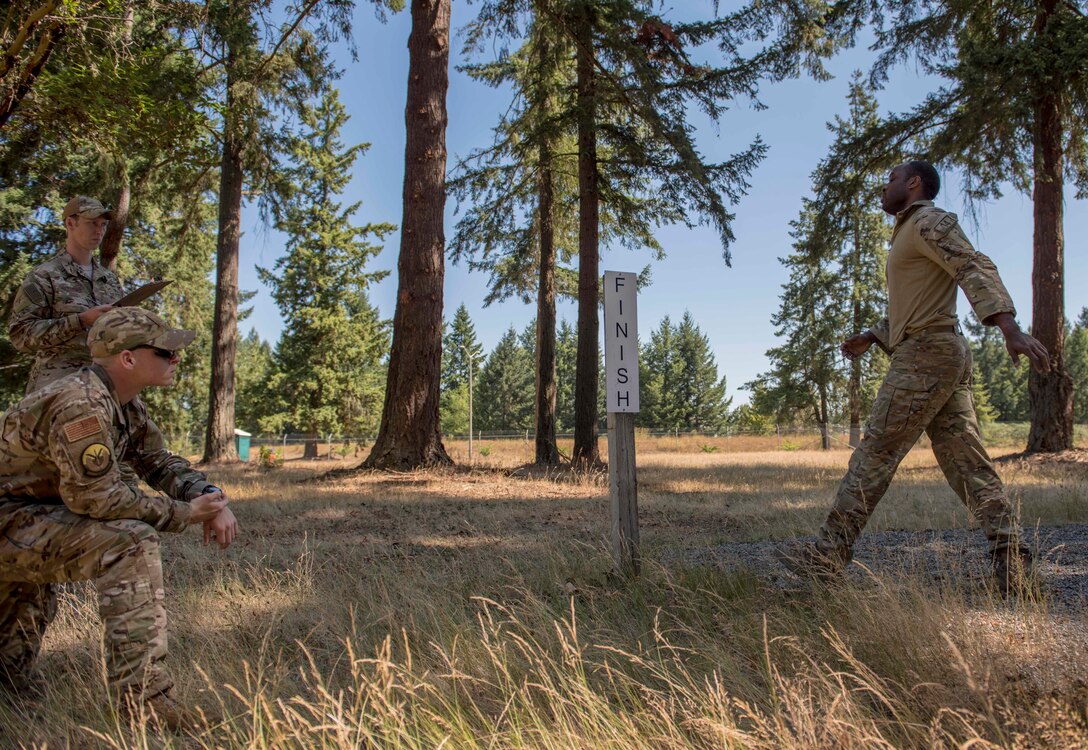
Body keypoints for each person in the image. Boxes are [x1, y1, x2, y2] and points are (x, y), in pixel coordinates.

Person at [784, 160, 1051, 593]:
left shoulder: (929, 221)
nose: (883, 187)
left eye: (891, 179)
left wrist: (1009, 326)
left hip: (927, 355)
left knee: (875, 454)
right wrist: (874, 335)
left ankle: (825, 561)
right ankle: (1013, 568)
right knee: (968, 463)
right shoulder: (908, 232)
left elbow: (972, 264)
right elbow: (919, 305)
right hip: (937, 350)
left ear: (913, 183)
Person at [0, 307, 239, 732]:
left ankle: (10, 687)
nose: (176, 359)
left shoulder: (122, 403)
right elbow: (96, 496)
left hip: (26, 514)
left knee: (18, 636)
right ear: (127, 359)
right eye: (165, 352)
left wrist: (207, 496)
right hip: (11, 519)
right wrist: (184, 514)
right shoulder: (82, 404)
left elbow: (157, 459)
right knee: (129, 542)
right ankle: (145, 704)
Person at [9, 196, 123, 393]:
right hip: (58, 389)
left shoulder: (109, 280)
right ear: (70, 223)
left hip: (105, 385)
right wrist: (80, 321)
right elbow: (21, 335)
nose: (99, 231)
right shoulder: (44, 276)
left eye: (103, 225)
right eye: (91, 223)